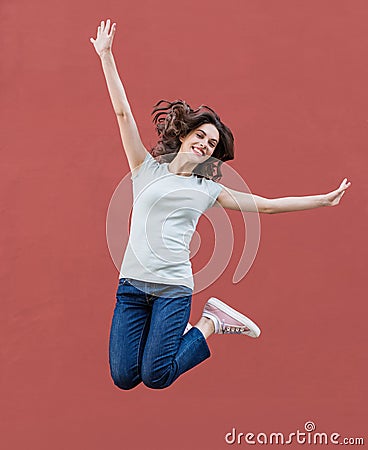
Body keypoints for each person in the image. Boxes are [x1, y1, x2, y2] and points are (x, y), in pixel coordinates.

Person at [89, 19, 352, 390]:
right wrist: (106, 56)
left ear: (212, 155)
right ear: (184, 135)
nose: (204, 145)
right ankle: (199, 324)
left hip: (173, 289)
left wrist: (321, 201)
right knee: (124, 377)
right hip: (131, 287)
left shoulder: (205, 190)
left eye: (211, 144)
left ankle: (211, 321)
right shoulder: (143, 169)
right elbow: (123, 114)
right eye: (200, 135)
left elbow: (267, 206)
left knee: (157, 377)